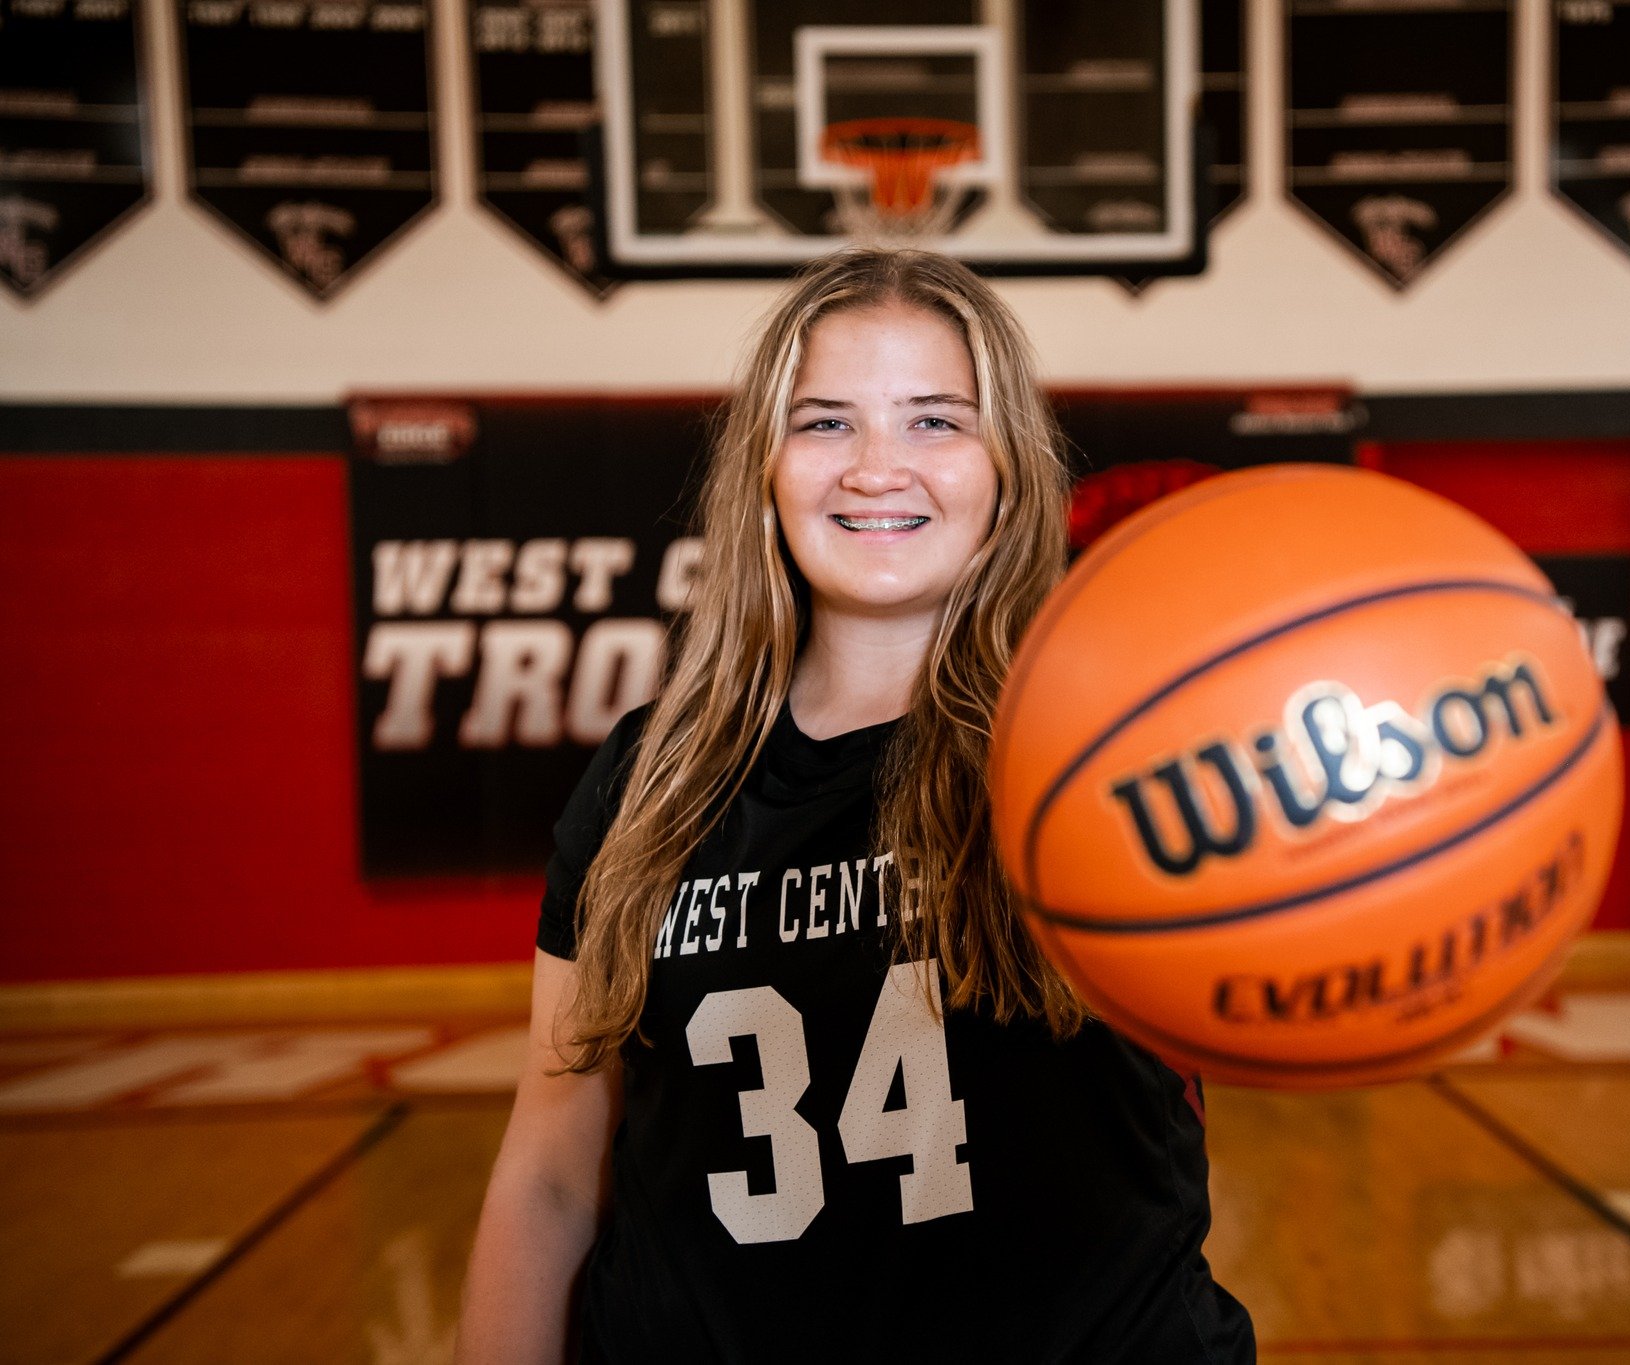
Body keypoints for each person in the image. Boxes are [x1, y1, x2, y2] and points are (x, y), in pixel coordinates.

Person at [453, 247, 1256, 1364]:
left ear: (1008, 469)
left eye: (935, 421)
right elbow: (547, 1176)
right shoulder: (648, 779)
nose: (877, 467)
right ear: (765, 468)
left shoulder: (1105, 746)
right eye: (826, 422)